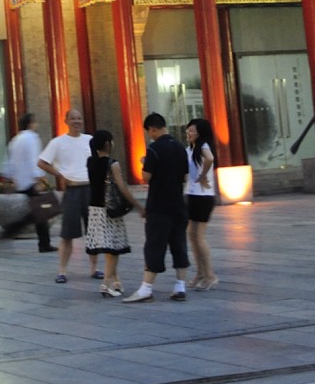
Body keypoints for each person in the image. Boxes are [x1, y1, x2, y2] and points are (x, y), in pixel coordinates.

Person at [124, 113, 191, 303]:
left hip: (159, 205)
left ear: (152, 129)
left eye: (149, 132)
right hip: (178, 203)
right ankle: (180, 286)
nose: (150, 135)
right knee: (179, 244)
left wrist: (144, 163)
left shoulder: (154, 149)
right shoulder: (180, 147)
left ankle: (146, 288)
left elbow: (146, 176)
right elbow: (186, 176)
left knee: (154, 245)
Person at [38, 108, 98, 284]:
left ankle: (94, 268)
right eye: (73, 118)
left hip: (90, 189)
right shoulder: (58, 142)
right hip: (72, 190)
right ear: (66, 121)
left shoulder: (90, 140)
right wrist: (59, 175)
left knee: (93, 232)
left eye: (79, 118)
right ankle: (62, 270)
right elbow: (42, 162)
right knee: (67, 233)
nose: (77, 121)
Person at [85, 130, 140, 298]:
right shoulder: (112, 164)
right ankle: (106, 283)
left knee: (110, 247)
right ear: (108, 144)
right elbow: (122, 187)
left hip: (95, 209)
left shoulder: (90, 162)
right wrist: (137, 205)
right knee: (113, 248)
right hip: (109, 209)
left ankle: (117, 281)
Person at [0, 112, 54, 252]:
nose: (37, 124)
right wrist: (39, 178)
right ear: (30, 124)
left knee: (37, 212)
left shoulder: (15, 140)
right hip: (30, 181)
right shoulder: (32, 138)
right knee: (39, 212)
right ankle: (41, 242)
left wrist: (9, 178)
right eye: (35, 121)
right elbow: (33, 160)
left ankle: (42, 242)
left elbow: (9, 162)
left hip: (20, 180)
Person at [185, 118, 219, 291]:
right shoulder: (189, 149)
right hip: (192, 195)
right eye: (188, 130)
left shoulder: (204, 146)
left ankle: (210, 275)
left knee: (199, 236)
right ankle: (200, 273)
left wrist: (203, 175)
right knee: (191, 234)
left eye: (192, 130)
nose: (188, 133)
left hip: (204, 196)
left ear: (200, 133)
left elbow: (210, 159)